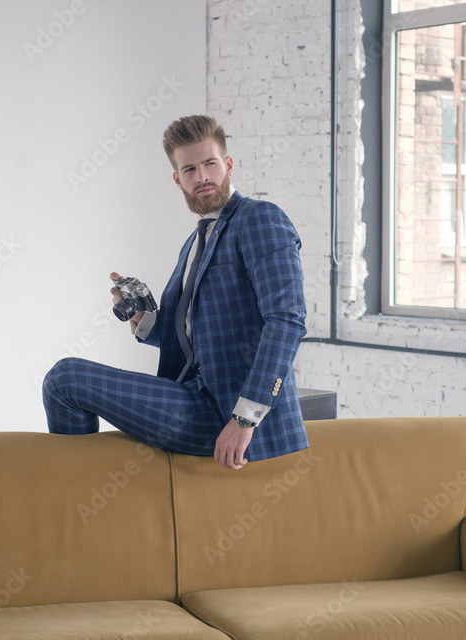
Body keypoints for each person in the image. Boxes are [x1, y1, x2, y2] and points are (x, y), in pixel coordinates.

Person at [43, 114, 308, 469]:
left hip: (226, 411)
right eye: (190, 170)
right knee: (63, 383)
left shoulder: (259, 219)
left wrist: (244, 419)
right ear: (177, 179)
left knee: (65, 377)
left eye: (210, 164)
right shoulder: (193, 243)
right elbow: (189, 337)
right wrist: (142, 317)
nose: (202, 177)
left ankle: (73, 502)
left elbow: (287, 320)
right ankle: (81, 497)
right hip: (192, 398)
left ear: (228, 165)